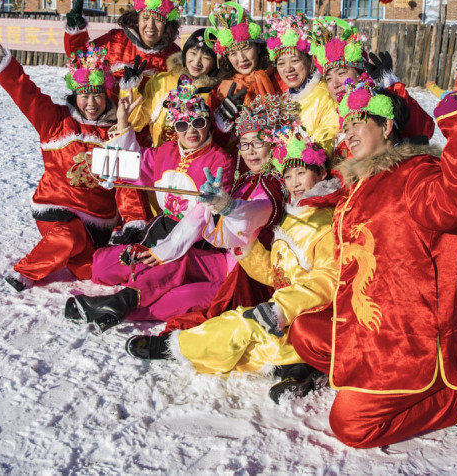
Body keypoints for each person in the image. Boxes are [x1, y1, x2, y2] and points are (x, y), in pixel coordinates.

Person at [286, 72, 457, 448]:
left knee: (350, 426)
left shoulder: (416, 174)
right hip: (367, 322)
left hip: (408, 338)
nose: (348, 133)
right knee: (303, 332)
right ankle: (370, 386)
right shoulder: (361, 183)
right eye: (345, 126)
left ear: (386, 127)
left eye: (359, 123)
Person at [126, 127, 340, 404]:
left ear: (321, 173)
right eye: (288, 175)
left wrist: (280, 308)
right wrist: (247, 249)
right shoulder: (295, 213)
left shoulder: (325, 219)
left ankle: (173, 347)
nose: (294, 182)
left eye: (302, 173)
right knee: (248, 337)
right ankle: (296, 367)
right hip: (288, 308)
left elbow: (326, 279)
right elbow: (274, 274)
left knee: (242, 325)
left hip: (312, 315)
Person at [63, 82, 235, 330]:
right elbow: (134, 165)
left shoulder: (220, 161)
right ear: (174, 128)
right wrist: (122, 123)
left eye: (197, 122)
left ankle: (121, 301)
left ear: (207, 121)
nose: (191, 131)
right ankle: (140, 277)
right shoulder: (165, 151)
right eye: (182, 125)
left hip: (192, 239)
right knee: (101, 265)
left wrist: (166, 250)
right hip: (160, 229)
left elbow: (201, 216)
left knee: (167, 268)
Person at [0, 36, 126, 291]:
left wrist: (125, 224)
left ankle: (76, 258)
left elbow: (125, 183)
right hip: (56, 209)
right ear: (74, 95)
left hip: (99, 220)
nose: (91, 103)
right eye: (84, 95)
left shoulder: (115, 131)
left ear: (107, 96)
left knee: (89, 269)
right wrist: (4, 63)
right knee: (68, 238)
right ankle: (23, 274)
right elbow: (28, 96)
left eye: (97, 96)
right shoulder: (56, 120)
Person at [163, 94, 299, 332]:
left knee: (181, 298)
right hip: (228, 260)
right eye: (244, 144)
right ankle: (124, 300)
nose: (250, 152)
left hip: (249, 276)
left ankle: (133, 312)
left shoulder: (275, 182)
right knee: (173, 264)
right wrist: (213, 208)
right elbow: (220, 233)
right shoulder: (246, 179)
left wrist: (227, 206)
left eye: (258, 143)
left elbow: (258, 211)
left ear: (274, 144)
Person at [309, 16, 434, 163]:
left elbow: (423, 128)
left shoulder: (377, 105)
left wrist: (393, 87)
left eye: (342, 73)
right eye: (329, 79)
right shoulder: (327, 112)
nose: (335, 84)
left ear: (361, 74)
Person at [63, 0, 183, 85]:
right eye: (145, 18)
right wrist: (76, 32)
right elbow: (82, 60)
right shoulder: (115, 41)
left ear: (167, 25)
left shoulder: (174, 56)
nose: (150, 25)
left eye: (158, 20)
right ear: (137, 20)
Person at [121, 28, 220, 147]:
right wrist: (129, 90)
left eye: (206, 57)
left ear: (214, 62)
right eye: (193, 53)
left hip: (198, 160)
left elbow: (221, 140)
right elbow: (137, 123)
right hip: (162, 158)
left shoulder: (216, 92)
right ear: (185, 53)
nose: (197, 61)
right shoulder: (161, 82)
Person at [264, 12, 340, 153]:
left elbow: (327, 142)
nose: (288, 69)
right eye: (281, 63)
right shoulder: (283, 100)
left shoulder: (325, 95)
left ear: (310, 61)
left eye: (295, 61)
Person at [207, 2, 277, 126]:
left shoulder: (277, 80)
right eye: (233, 53)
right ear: (227, 58)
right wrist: (224, 116)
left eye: (246, 48)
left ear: (258, 48)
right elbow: (215, 138)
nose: (242, 58)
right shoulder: (220, 90)